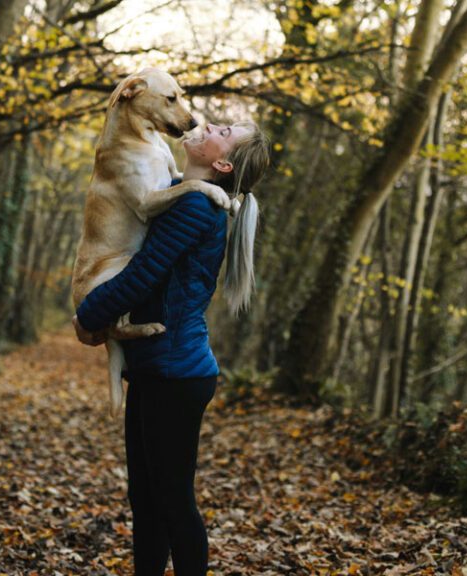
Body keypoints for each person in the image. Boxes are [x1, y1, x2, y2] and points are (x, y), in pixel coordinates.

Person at [73, 121, 270, 575]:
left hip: (177, 374)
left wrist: (88, 317)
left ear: (222, 163)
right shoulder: (181, 193)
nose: (210, 123)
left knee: (173, 504)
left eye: (225, 129)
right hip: (157, 371)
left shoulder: (195, 210)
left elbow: (144, 274)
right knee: (146, 501)